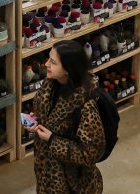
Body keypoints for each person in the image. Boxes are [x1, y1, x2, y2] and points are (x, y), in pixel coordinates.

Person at [29, 41, 104, 193]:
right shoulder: (49, 84)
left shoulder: (86, 105)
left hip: (73, 184)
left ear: (68, 69)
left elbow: (90, 153)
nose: (46, 64)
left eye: (53, 62)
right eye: (49, 58)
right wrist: (35, 121)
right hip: (46, 175)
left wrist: (52, 140)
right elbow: (46, 117)